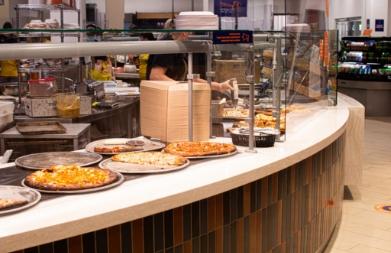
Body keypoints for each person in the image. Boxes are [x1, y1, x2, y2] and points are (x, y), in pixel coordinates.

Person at [147, 19, 232, 94]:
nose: (191, 35)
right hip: (162, 99)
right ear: (184, 33)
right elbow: (155, 76)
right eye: (190, 32)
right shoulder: (168, 46)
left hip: (174, 95)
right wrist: (182, 88)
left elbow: (190, 80)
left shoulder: (179, 48)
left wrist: (219, 86)